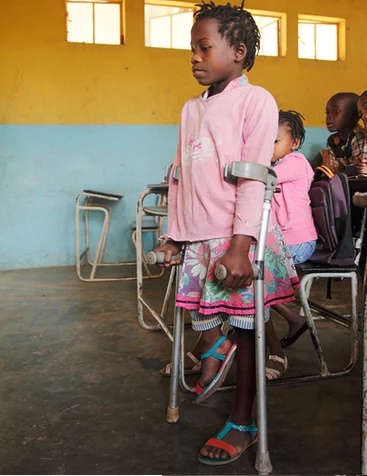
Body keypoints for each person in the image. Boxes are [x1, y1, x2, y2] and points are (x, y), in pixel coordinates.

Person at [154, 1, 299, 465]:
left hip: (240, 237)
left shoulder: (255, 101)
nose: (194, 57)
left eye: (204, 47)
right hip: (200, 237)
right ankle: (220, 344)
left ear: (238, 51)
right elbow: (180, 173)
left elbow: (254, 177)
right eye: (191, 49)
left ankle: (243, 421)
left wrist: (241, 245)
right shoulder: (190, 108)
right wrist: (175, 235)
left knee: (248, 324)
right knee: (206, 317)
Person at [265, 111, 318, 372]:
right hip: (282, 242)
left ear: (294, 143)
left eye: (274, 141)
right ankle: (294, 318)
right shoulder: (277, 165)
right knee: (253, 273)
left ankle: (253, 332)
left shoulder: (295, 163)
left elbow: (263, 176)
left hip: (298, 242)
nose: (267, 147)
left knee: (254, 277)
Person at [312, 92, 367, 174]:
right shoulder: (333, 141)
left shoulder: (360, 137)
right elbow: (334, 170)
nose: (329, 116)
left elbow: (359, 170)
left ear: (354, 116)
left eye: (336, 111)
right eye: (327, 112)